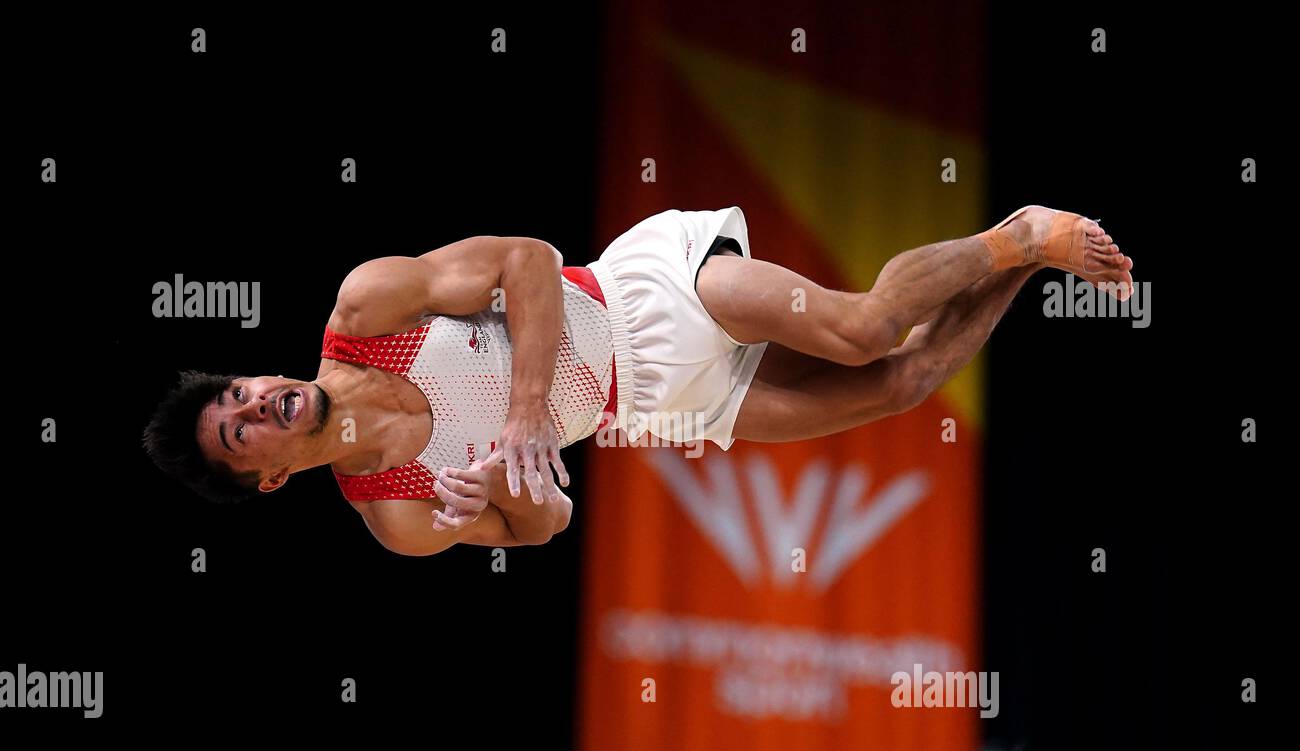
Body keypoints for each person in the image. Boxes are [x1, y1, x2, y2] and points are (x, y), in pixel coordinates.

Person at [143, 205, 1132, 556]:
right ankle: (1029, 264)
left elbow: (529, 257)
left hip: (644, 298)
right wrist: (507, 495)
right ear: (269, 478)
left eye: (235, 389)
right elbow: (547, 527)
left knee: (859, 328)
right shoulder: (398, 516)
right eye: (238, 431)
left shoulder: (368, 311)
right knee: (900, 385)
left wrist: (526, 417)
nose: (251, 402)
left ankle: (1013, 233)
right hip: (657, 403)